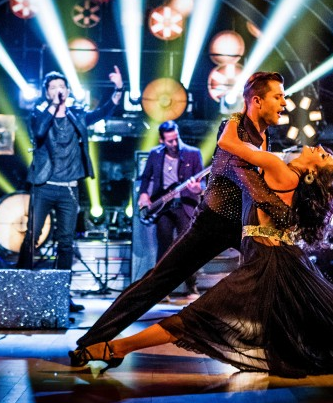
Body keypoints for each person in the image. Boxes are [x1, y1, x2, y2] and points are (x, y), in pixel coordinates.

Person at [69, 115, 333, 377]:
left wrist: (235, 119)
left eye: (321, 155)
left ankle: (114, 349)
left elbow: (230, 146)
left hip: (266, 262)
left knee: (198, 316)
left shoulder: (280, 169)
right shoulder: (291, 178)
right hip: (292, 260)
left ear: (311, 171)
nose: (316, 147)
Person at [72, 71, 291, 350]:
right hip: (212, 224)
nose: (284, 103)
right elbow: (246, 176)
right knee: (158, 281)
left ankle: (285, 340)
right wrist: (282, 211)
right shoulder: (234, 126)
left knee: (280, 267)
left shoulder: (265, 135)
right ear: (257, 101)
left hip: (241, 224)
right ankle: (91, 341)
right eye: (278, 96)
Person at [17, 67, 124, 313]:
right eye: (53, 88)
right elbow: (39, 132)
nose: (58, 90)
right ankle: (19, 289)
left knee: (65, 243)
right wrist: (54, 107)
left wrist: (118, 88)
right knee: (32, 236)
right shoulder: (38, 114)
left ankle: (61, 296)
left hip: (69, 190)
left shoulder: (78, 116)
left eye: (61, 87)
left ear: (67, 90)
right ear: (47, 93)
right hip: (44, 186)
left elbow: (104, 112)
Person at [137, 120, 204, 299]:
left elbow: (202, 182)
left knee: (187, 246)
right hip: (163, 207)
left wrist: (198, 189)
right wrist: (143, 194)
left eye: (176, 139)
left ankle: (191, 287)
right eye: (170, 141)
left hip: (185, 206)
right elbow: (146, 177)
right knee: (164, 248)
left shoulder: (192, 153)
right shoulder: (155, 154)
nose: (174, 144)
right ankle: (161, 289)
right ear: (162, 140)